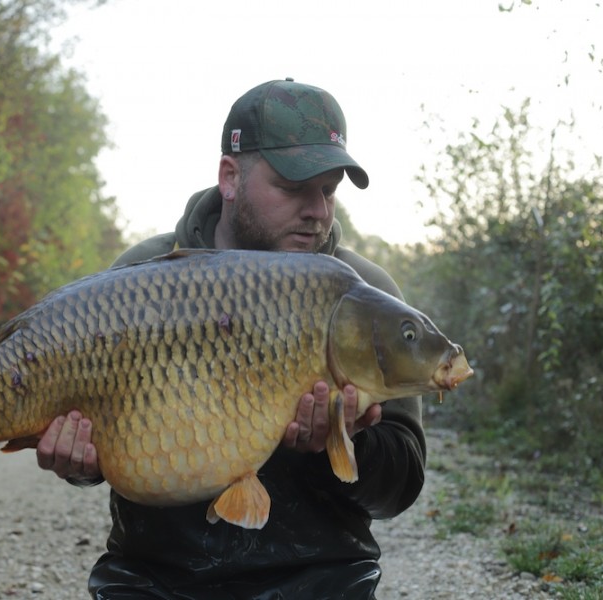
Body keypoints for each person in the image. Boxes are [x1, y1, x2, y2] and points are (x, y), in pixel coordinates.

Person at [36, 78, 426, 600]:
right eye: (293, 188)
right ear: (229, 176)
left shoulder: (366, 298)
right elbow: (98, 446)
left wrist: (342, 442)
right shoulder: (138, 279)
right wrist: (78, 464)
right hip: (158, 578)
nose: (318, 211)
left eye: (328, 190)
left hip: (320, 579)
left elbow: (399, 487)